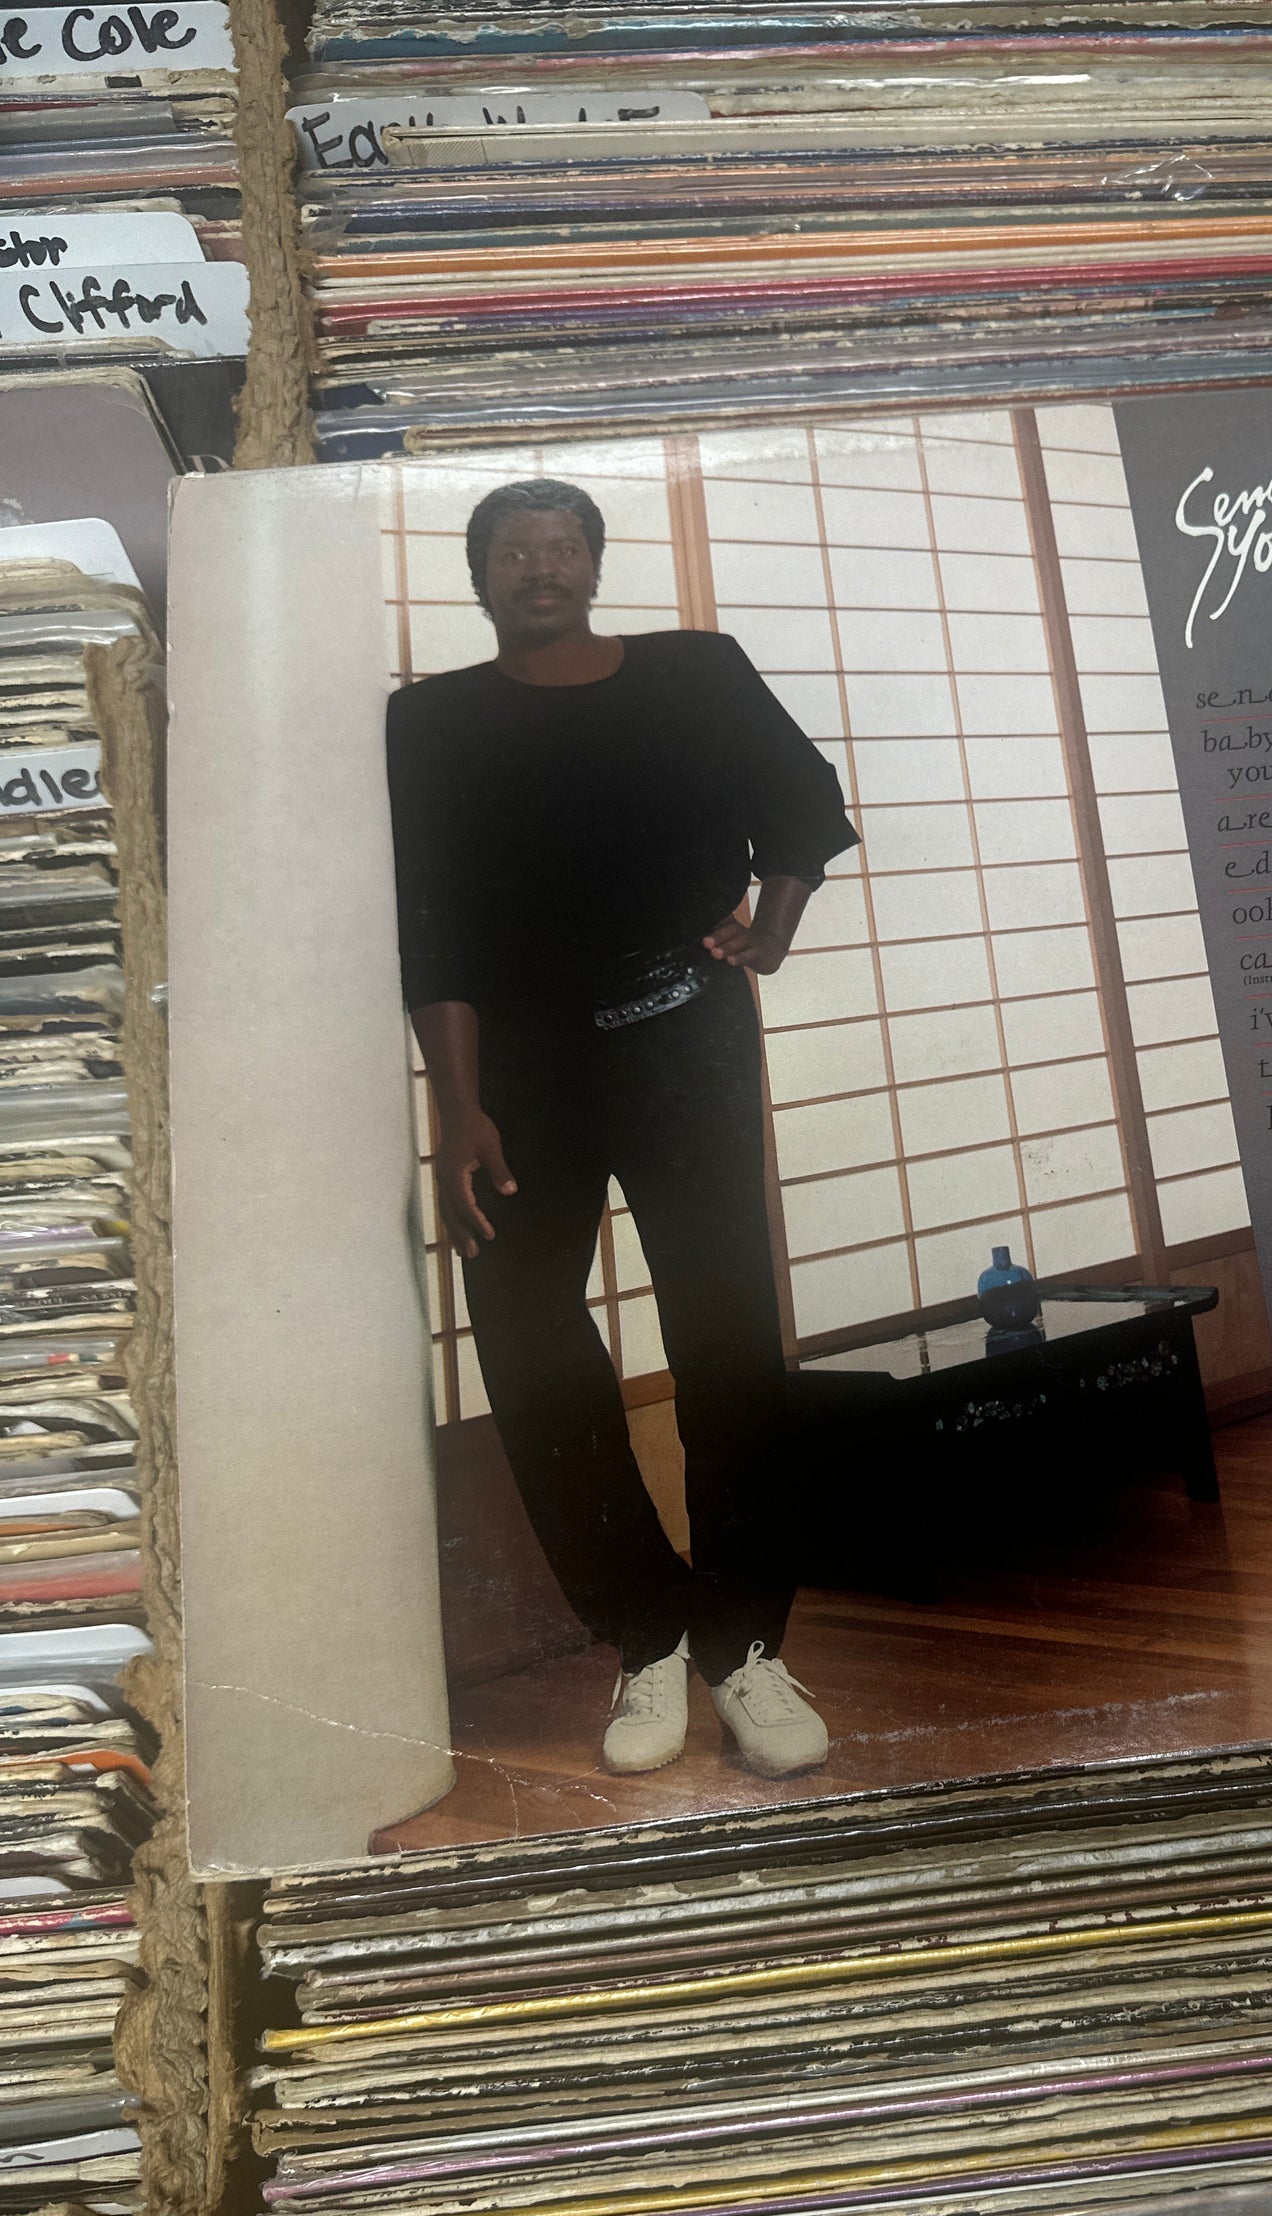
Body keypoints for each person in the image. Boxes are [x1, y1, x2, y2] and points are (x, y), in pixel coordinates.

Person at [385, 477, 858, 1779]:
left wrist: (773, 925)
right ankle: (647, 1634)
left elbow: (803, 804)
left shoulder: (695, 671)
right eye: (512, 550)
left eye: (562, 546)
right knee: (523, 1328)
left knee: (723, 1326)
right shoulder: (428, 720)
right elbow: (432, 921)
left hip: (681, 1038)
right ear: (478, 576)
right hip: (518, 1063)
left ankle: (746, 1645)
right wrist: (458, 1107)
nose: (539, 566)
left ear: (594, 566)